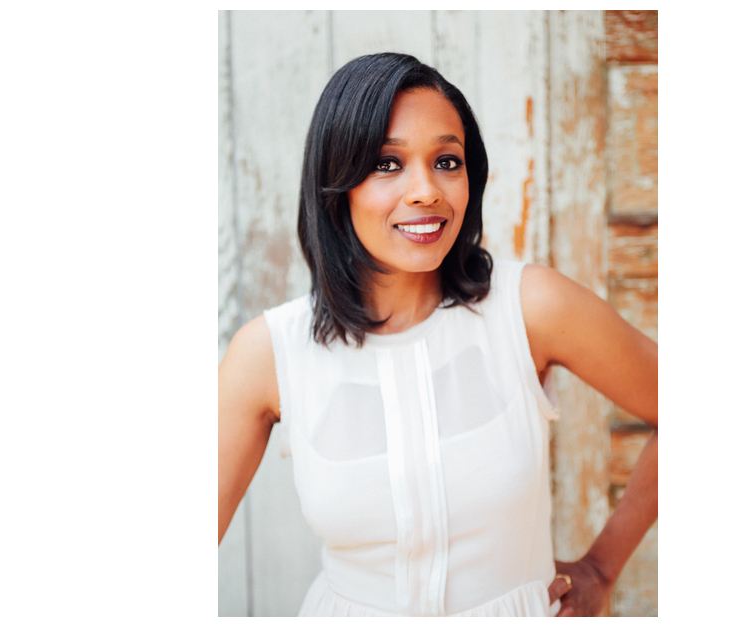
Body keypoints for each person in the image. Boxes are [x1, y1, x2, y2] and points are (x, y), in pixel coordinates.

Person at [218, 52, 657, 617]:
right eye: (387, 164)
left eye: (447, 161)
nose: (426, 190)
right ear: (337, 182)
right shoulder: (270, 352)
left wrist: (601, 568)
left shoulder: (529, 308)